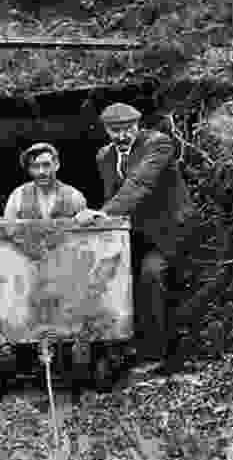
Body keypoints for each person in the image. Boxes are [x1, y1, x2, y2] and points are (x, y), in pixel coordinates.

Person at [75, 103, 196, 373]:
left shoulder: (158, 144)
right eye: (114, 130)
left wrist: (103, 213)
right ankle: (117, 346)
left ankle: (156, 354)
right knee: (108, 275)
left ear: (138, 125)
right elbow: (112, 194)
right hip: (136, 231)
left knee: (151, 275)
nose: (121, 136)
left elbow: (139, 184)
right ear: (105, 130)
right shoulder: (104, 156)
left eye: (127, 129)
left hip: (170, 230)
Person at [3, 142, 87, 220]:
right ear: (29, 169)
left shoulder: (74, 196)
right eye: (35, 166)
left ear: (56, 165)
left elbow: (85, 231)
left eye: (46, 165)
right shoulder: (18, 196)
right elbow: (7, 230)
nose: (41, 171)